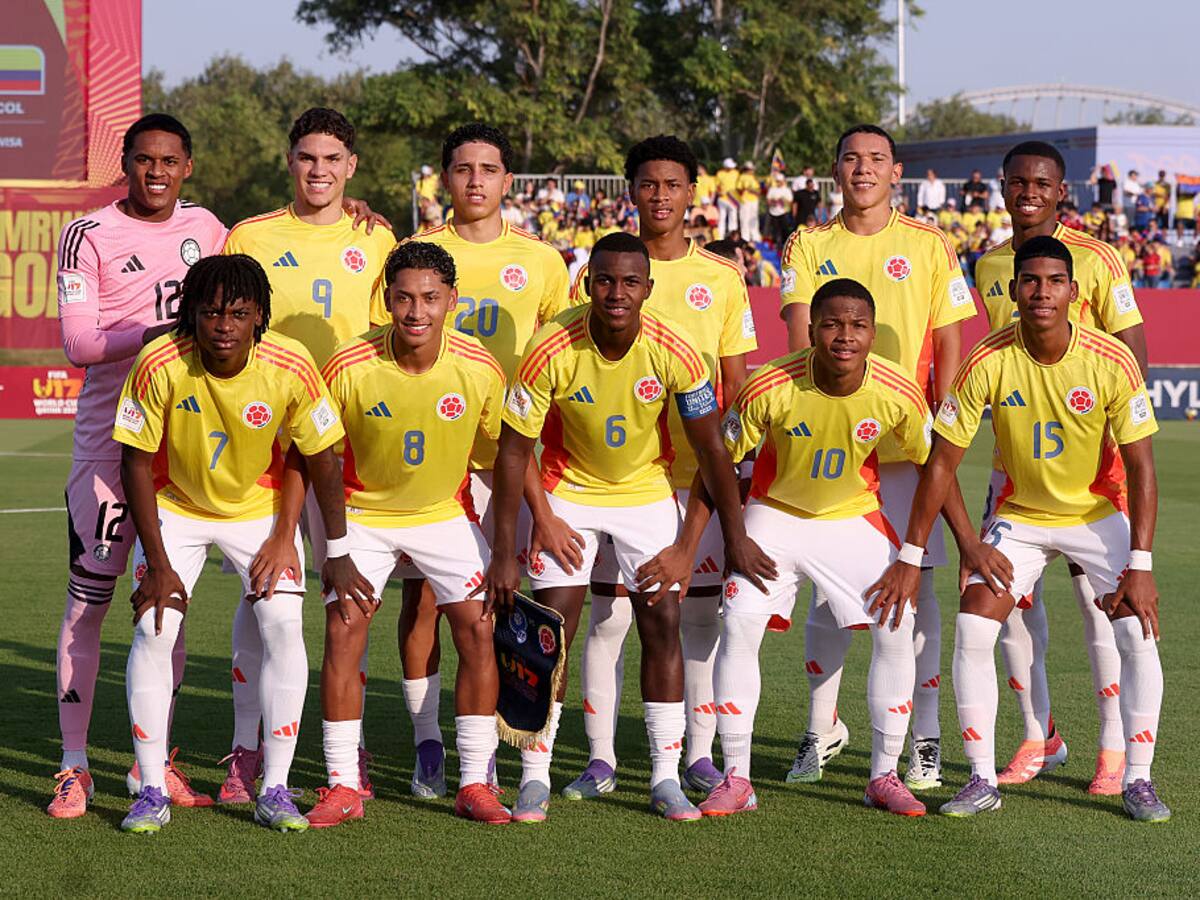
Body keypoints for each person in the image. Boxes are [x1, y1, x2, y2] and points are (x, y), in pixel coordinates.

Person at [871, 235, 1168, 822]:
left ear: (1073, 292)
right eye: (1029, 281)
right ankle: (981, 778)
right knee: (975, 624)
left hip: (1096, 514)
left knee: (1137, 630)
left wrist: (1141, 565)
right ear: (1012, 291)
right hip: (1020, 518)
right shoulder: (986, 359)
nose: (1041, 292)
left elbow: (1141, 467)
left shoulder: (1111, 360)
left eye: (1054, 281)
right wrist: (926, 549)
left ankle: (1138, 778)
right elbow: (942, 464)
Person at [480, 232, 771, 823]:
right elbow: (513, 453)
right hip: (570, 492)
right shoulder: (550, 346)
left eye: (629, 282)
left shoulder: (676, 349)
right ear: (587, 283)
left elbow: (713, 452)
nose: (616, 293)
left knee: (662, 621)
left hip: (644, 493)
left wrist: (720, 540)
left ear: (648, 288)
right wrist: (517, 541)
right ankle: (534, 776)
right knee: (548, 632)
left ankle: (665, 779)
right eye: (605, 280)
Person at [698, 278, 958, 817]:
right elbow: (720, 460)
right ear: (811, 328)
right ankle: (737, 777)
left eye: (858, 325)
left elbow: (936, 467)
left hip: (852, 518)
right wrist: (735, 535)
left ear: (873, 332)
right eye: (833, 324)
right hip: (774, 516)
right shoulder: (769, 382)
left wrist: (917, 556)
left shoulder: (897, 390)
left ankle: (883, 775)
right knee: (739, 623)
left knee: (896, 623)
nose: (845, 336)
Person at [113, 254, 348, 833]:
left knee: (282, 624)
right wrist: (159, 566)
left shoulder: (291, 363)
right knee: (154, 626)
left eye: (238, 313)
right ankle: (150, 790)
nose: (223, 325)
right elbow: (135, 462)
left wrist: (315, 546)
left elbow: (319, 456)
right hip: (177, 507)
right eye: (211, 312)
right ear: (191, 313)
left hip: (259, 511)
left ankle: (275, 788)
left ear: (259, 316)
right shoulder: (160, 360)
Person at [779, 124, 975, 790]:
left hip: (909, 448)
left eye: (875, 160)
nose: (862, 169)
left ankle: (925, 738)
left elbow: (950, 341)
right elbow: (797, 333)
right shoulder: (808, 242)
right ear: (834, 170)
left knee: (917, 598)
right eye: (850, 159)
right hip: (832, 442)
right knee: (826, 597)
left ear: (898, 172)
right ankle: (819, 729)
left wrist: (943, 431)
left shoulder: (928, 244)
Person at [565, 136, 757, 801]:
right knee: (610, 618)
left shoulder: (724, 279)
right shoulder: (604, 269)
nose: (660, 196)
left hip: (693, 479)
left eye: (673, 185)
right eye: (648, 184)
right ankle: (600, 758)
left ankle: (695, 755)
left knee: (695, 618)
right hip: (618, 475)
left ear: (692, 192)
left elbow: (738, 392)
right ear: (632, 190)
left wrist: (726, 472)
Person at [48, 113, 227, 819]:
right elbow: (79, 344)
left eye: (170, 160)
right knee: (88, 605)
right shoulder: (88, 234)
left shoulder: (210, 229)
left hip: (180, 453)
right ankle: (73, 765)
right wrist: (169, 330)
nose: (156, 171)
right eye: (144, 159)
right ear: (125, 163)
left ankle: (155, 764)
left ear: (188, 167)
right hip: (107, 450)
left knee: (166, 610)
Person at [219, 107, 395, 803]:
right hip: (269, 437)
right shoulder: (251, 235)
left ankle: (342, 754)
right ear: (288, 161)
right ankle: (245, 750)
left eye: (333, 160)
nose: (319, 171)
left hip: (348, 442)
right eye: (307, 158)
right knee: (265, 591)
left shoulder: (376, 234)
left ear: (352, 167)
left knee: (347, 602)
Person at [391, 122, 570, 799]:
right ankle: (428, 743)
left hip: (512, 454)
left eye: (487, 169)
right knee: (425, 604)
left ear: (507, 181)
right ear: (444, 178)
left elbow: (559, 352)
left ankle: (500, 740)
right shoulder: (417, 252)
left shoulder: (544, 261)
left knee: (504, 605)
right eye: (461, 168)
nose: (474, 180)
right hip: (436, 452)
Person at [305, 242, 511, 827]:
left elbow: (501, 462)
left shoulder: (479, 367)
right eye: (402, 298)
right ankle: (343, 784)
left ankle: (474, 781)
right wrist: (335, 548)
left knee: (476, 628)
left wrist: (503, 547)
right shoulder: (348, 365)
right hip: (363, 515)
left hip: (444, 514)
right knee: (344, 630)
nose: (415, 311)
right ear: (385, 299)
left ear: (451, 300)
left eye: (429, 298)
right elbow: (315, 454)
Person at [974, 140, 1148, 794]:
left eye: (1040, 183)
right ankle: (1037, 732)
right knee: (1013, 606)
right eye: (1017, 182)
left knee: (1098, 603)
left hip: (1092, 468)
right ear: (1002, 186)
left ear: (1059, 190)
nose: (1028, 193)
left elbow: (1133, 353)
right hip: (1013, 469)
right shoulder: (989, 263)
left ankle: (1111, 747)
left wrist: (1115, 444)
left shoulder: (1098, 259)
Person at [765, 171, 794, 249]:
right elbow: (768, 200)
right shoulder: (772, 189)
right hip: (773, 212)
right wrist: (773, 202)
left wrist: (783, 201)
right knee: (774, 230)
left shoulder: (786, 190)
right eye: (777, 181)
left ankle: (785, 244)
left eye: (780, 181)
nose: (779, 183)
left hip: (783, 212)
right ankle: (775, 245)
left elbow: (790, 201)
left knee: (784, 229)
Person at [737, 161, 762, 243]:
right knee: (745, 219)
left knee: (754, 219)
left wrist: (754, 191)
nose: (752, 171)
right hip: (745, 201)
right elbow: (739, 188)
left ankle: (755, 236)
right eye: (751, 169)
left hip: (754, 200)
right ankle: (745, 238)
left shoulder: (754, 178)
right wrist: (747, 189)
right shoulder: (742, 177)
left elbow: (758, 190)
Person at [715, 157, 740, 238]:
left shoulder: (736, 173)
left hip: (733, 199)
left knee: (733, 219)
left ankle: (732, 237)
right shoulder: (720, 173)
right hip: (723, 199)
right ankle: (720, 237)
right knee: (722, 219)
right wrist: (719, 192)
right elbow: (717, 186)